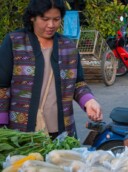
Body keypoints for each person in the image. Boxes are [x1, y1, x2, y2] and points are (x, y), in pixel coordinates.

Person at [0, 0, 103, 138]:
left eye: (56, 19)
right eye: (45, 19)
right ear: (32, 17)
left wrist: (89, 101)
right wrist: (2, 125)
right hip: (21, 131)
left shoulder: (68, 46)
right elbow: (2, 86)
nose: (51, 25)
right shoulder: (15, 42)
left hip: (61, 131)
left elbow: (78, 83)